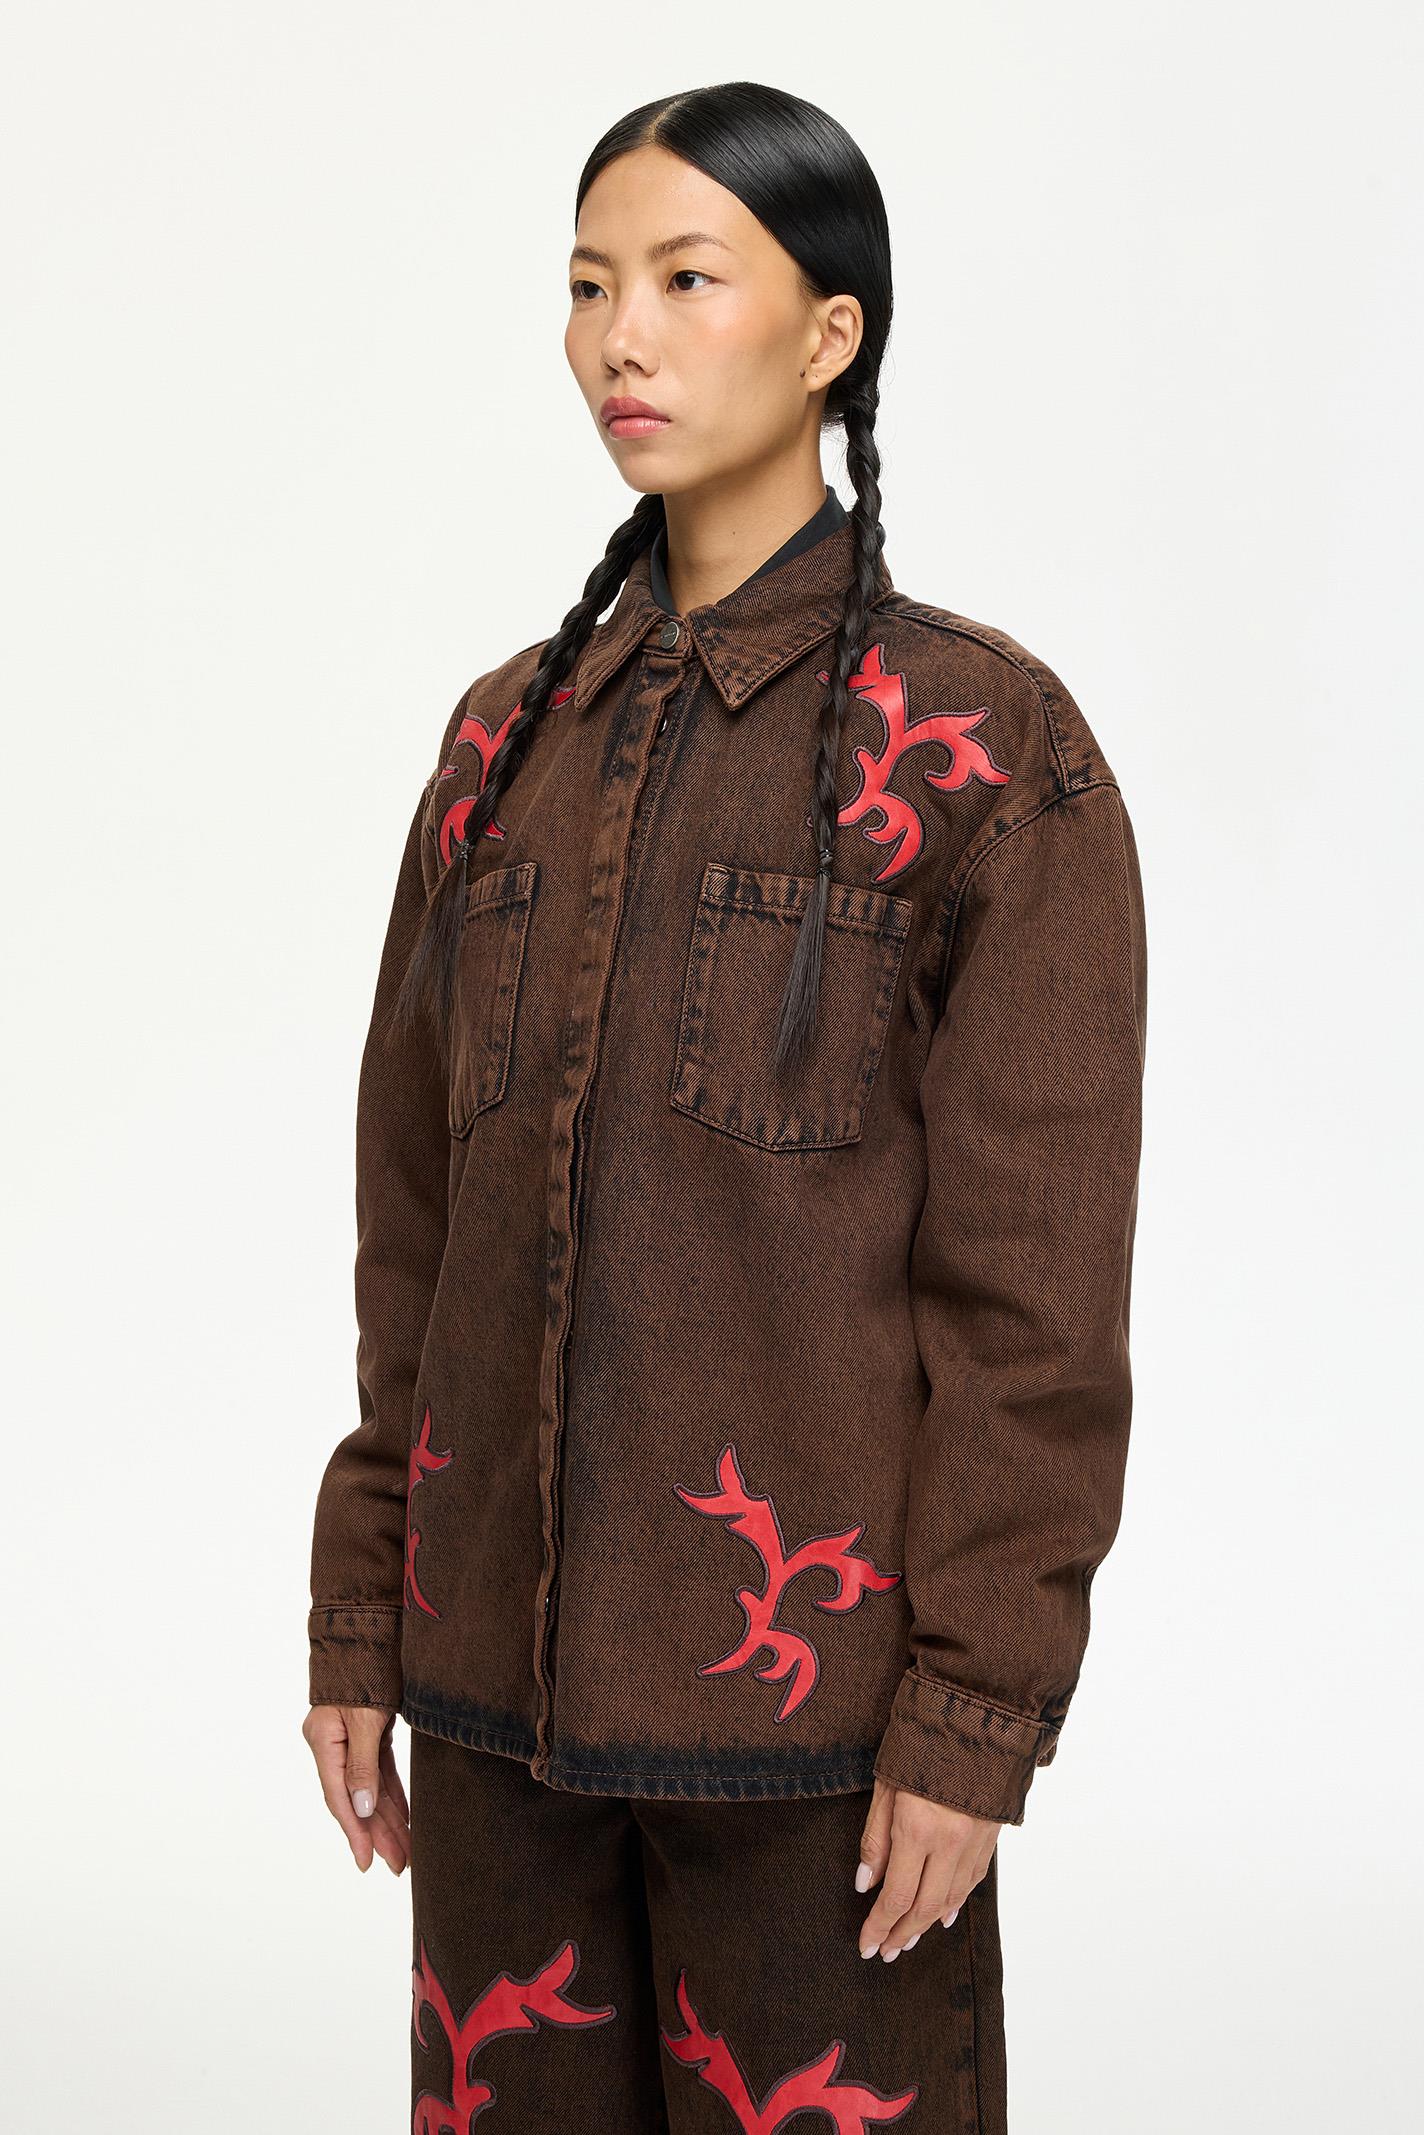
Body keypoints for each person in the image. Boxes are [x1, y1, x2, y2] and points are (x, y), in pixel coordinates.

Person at [303, 80, 1147, 2133]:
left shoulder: (981, 748)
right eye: (591, 286)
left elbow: (1032, 1304)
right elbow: (416, 1233)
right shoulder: (502, 746)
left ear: (832, 332)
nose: (624, 339)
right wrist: (362, 1603)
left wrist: (973, 1713)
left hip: (814, 1754)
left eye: (689, 280)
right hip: (490, 1723)